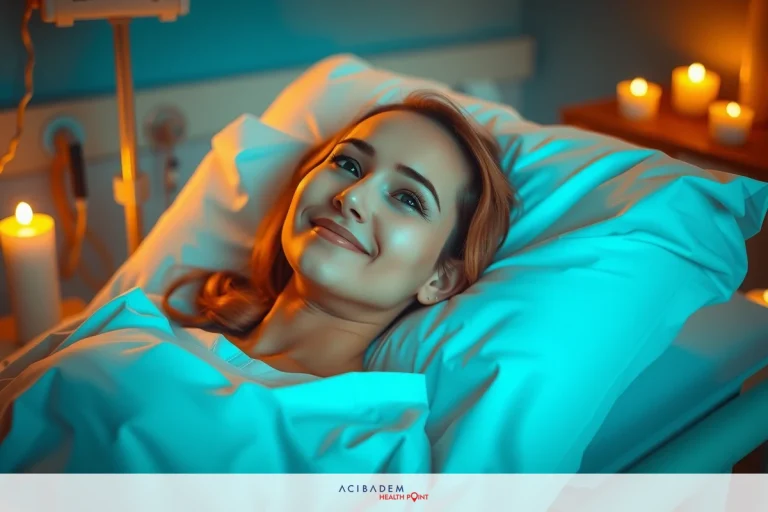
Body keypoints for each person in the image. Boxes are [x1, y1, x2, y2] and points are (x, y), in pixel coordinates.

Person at [163, 91, 517, 378]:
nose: (352, 198)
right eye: (348, 165)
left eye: (407, 199)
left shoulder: (359, 438)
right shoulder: (152, 328)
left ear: (441, 279)